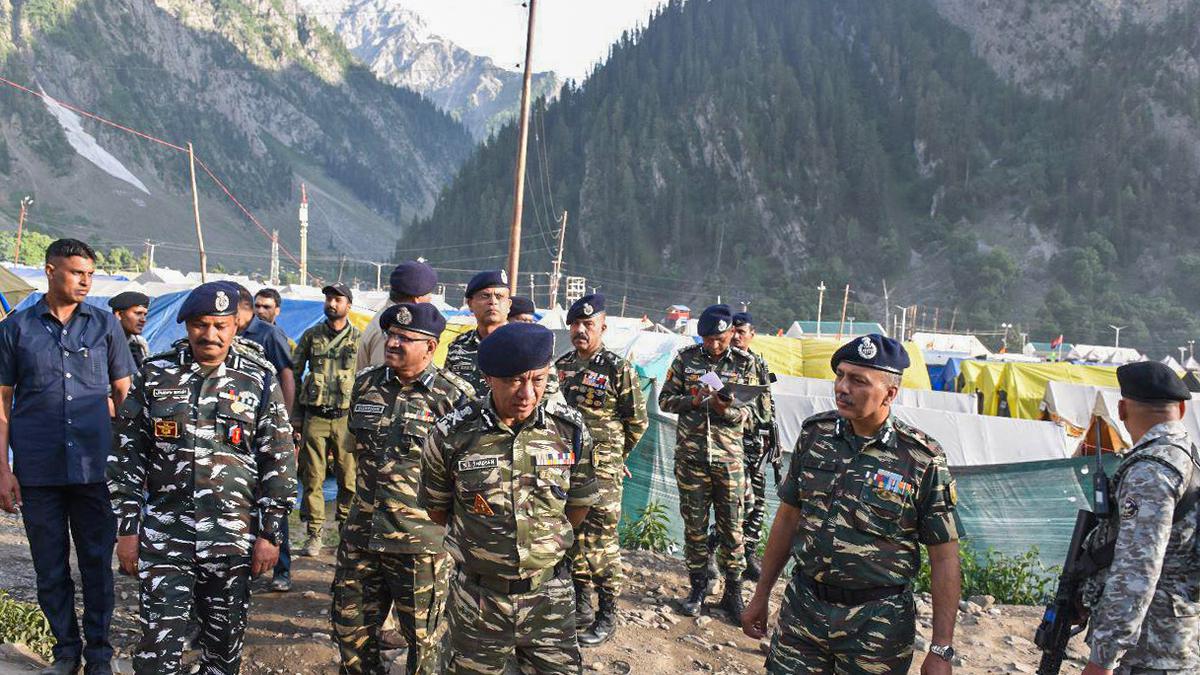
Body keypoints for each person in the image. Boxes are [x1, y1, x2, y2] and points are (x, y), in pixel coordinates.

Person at [742, 334, 962, 674]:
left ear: (890, 393)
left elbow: (944, 555)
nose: (842, 387)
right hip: (804, 609)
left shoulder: (920, 459)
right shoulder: (815, 435)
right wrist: (761, 595)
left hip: (877, 626)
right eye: (840, 375)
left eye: (858, 381)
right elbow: (788, 518)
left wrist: (941, 648)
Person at [108, 281, 296, 675]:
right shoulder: (156, 374)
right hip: (165, 536)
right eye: (199, 324)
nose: (209, 334)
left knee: (223, 650)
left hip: (231, 540)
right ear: (186, 325)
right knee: (157, 649)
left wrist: (270, 534)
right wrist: (127, 529)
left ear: (235, 325)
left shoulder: (258, 380)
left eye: (219, 325)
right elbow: (128, 456)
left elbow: (277, 461)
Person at [420, 322, 598, 673]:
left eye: (539, 380)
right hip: (479, 600)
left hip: (550, 597)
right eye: (515, 380)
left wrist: (541, 544)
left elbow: (577, 505)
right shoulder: (451, 435)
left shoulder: (569, 431)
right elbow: (439, 510)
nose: (528, 394)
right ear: (489, 377)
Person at [0, 239, 137, 675]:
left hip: (95, 470)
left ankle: (99, 655)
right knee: (49, 567)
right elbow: (2, 401)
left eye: (90, 274)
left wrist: (129, 465)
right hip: (39, 470)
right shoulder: (16, 329)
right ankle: (65, 652)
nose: (85, 281)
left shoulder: (104, 326)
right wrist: (3, 469)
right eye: (77, 272)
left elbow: (124, 396)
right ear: (50, 270)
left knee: (97, 564)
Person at [332, 302, 473, 675]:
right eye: (391, 334)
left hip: (420, 544)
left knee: (425, 641)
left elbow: (468, 476)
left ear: (430, 347)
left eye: (405, 338)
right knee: (350, 631)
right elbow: (355, 451)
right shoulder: (366, 383)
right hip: (362, 536)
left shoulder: (456, 398)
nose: (393, 343)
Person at [1080, 361, 1200, 675]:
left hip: (1147, 652)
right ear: (1183, 409)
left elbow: (1138, 568)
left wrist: (1103, 659)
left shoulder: (1150, 471)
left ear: (1121, 409)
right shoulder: (1189, 459)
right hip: (1179, 640)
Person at [554, 294, 648, 645]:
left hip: (603, 471)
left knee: (601, 542)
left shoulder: (617, 368)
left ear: (602, 327)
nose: (580, 330)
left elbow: (637, 421)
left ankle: (608, 612)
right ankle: (582, 607)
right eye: (575, 324)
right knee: (571, 538)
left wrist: (614, 457)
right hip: (565, 468)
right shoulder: (561, 365)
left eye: (588, 325)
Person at [658, 304, 757, 622]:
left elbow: (750, 415)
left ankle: (733, 593)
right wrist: (695, 400)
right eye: (708, 339)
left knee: (732, 528)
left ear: (731, 333)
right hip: (692, 458)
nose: (714, 345)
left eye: (720, 338)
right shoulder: (686, 359)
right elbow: (665, 399)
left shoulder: (745, 363)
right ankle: (698, 588)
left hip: (728, 460)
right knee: (695, 529)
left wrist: (723, 407)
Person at [234, 283, 297, 591]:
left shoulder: (270, 335)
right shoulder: (229, 332)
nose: (261, 311)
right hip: (238, 432)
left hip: (266, 429)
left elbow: (286, 375)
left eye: (264, 306)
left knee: (273, 497)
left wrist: (282, 422)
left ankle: (281, 569)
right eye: (257, 306)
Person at [292, 283, 361, 557]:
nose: (332, 304)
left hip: (346, 420)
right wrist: (296, 415)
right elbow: (294, 373)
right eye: (329, 299)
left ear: (348, 305)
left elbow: (369, 378)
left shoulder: (359, 338)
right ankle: (314, 535)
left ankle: (346, 531)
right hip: (315, 418)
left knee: (349, 480)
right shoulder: (311, 336)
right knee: (313, 478)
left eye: (338, 299)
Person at [730, 311, 775, 581]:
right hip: (733, 442)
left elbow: (766, 400)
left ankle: (748, 554)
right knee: (737, 502)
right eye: (733, 332)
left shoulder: (759, 362)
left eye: (741, 333)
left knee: (757, 502)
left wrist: (771, 431)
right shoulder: (725, 362)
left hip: (757, 442)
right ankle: (717, 550)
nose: (736, 337)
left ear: (751, 335)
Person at [357, 261, 437, 371]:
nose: (430, 299)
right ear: (416, 299)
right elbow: (386, 382)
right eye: (428, 294)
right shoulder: (390, 330)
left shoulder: (385, 319)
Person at [444, 270, 510, 396]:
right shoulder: (458, 347)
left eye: (499, 297)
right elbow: (448, 391)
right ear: (470, 304)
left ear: (509, 305)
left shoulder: (525, 344)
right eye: (485, 296)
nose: (493, 302)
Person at [108, 291, 151, 366]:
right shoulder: (102, 341)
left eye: (145, 314)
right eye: (138, 313)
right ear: (119, 314)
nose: (143, 319)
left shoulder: (140, 343)